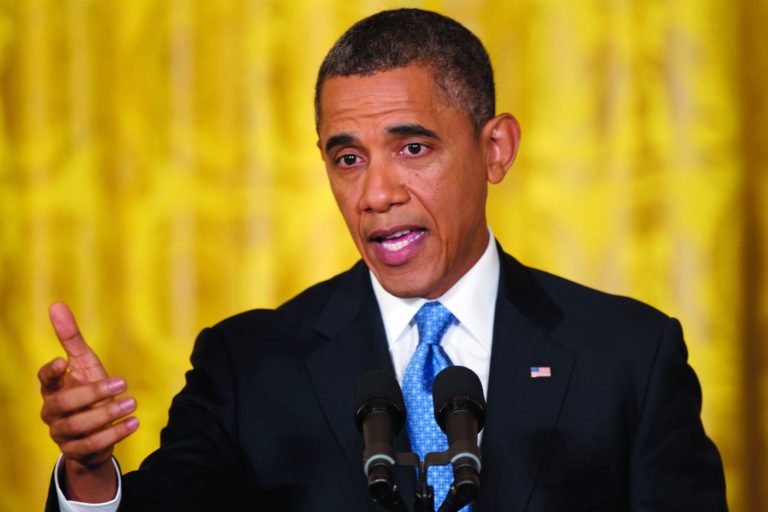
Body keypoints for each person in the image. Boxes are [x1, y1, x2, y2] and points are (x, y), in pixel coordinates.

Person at [40, 8, 727, 511]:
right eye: (347, 159)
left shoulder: (630, 357)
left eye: (413, 148)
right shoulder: (249, 367)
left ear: (495, 149)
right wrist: (91, 474)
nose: (375, 194)